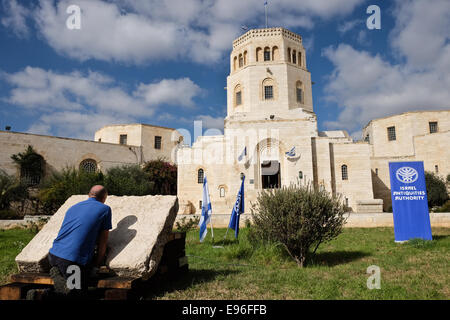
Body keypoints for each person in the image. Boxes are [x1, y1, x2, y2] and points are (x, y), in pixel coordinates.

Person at [47, 185, 112, 297]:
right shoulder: (105, 209)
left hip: (53, 255)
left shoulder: (73, 207)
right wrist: (97, 264)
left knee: (81, 285)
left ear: (89, 195)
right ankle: (43, 295)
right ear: (104, 198)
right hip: (72, 263)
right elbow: (103, 241)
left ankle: (57, 272)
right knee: (76, 294)